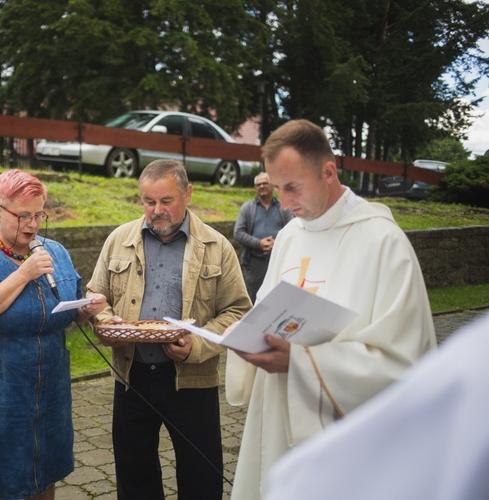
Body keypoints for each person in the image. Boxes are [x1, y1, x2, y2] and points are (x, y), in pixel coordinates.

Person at [225, 119, 436, 500]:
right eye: (277, 189)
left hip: (348, 443)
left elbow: (406, 363)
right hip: (276, 416)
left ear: (328, 171)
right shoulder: (290, 237)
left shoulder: (382, 241)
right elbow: (264, 311)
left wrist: (302, 362)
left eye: (293, 187)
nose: (285, 203)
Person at [86, 159, 250, 499]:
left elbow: (238, 311)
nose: (157, 210)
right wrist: (105, 322)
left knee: (201, 475)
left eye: (166, 201)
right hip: (132, 378)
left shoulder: (217, 246)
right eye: (149, 201)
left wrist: (197, 347)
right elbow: (95, 296)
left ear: (187, 194)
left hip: (191, 380)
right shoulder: (119, 239)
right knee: (135, 476)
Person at [0, 169, 106, 500]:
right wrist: (23, 273)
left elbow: (66, 307)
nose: (33, 225)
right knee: (0, 475)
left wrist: (86, 307)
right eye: (23, 215)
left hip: (49, 385)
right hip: (0, 390)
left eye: (39, 215)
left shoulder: (55, 251)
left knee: (46, 469)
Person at [264, 313, 489, 500]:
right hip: (277, 408)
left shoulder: (474, 363)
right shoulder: (282, 255)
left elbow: (401, 364)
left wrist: (301, 360)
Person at [233, 171, 293, 303]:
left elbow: (293, 231)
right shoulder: (247, 208)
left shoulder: (284, 208)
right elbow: (238, 233)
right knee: (252, 301)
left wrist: (276, 245)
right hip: (254, 265)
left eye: (265, 183)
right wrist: (259, 243)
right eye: (258, 184)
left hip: (279, 261)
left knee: (278, 300)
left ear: (272, 185)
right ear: (255, 188)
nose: (261, 186)